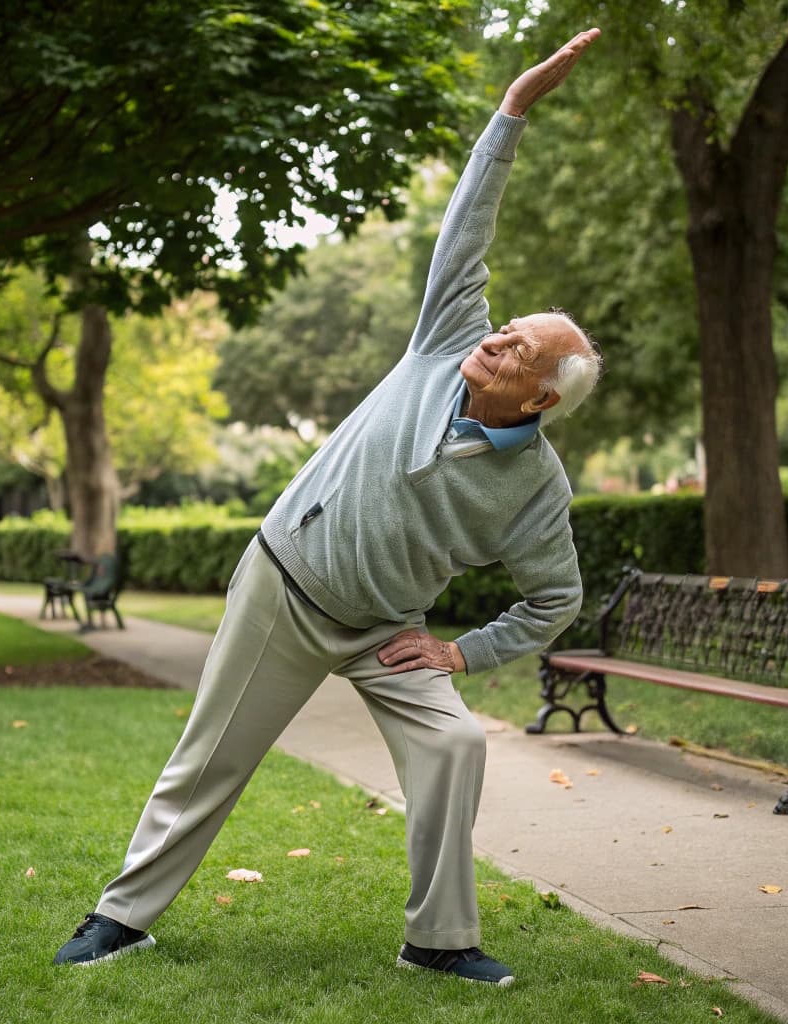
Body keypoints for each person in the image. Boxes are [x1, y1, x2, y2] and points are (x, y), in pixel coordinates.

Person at [55, 28, 602, 985]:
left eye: (518, 349)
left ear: (541, 398)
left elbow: (555, 599)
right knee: (209, 759)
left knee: (457, 742)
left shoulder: (536, 488)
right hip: (286, 584)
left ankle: (437, 940)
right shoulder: (445, 342)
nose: (500, 338)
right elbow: (467, 230)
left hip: (386, 629)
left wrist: (460, 652)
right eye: (507, 327)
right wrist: (510, 113)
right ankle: (121, 916)